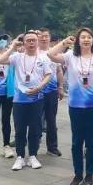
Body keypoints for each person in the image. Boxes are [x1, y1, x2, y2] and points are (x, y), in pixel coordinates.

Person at [49, 28, 93, 185]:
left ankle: (89, 175)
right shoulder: (70, 56)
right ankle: (78, 174)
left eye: (89, 37)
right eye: (83, 37)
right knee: (76, 142)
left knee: (92, 142)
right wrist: (64, 43)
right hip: (75, 106)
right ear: (78, 40)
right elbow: (51, 55)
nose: (86, 40)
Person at [0, 31, 52, 171]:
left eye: (34, 40)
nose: (31, 43)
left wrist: (39, 87)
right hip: (19, 100)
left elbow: (48, 75)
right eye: (28, 40)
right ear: (24, 42)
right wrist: (12, 47)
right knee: (20, 129)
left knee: (35, 128)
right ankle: (20, 157)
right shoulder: (17, 57)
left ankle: (33, 155)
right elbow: (1, 60)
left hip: (36, 98)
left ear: (37, 42)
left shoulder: (43, 58)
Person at [37, 29, 64, 157]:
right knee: (35, 119)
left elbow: (59, 71)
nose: (44, 38)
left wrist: (61, 87)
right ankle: (34, 144)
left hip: (51, 91)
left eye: (46, 36)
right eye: (41, 36)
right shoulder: (33, 52)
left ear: (49, 38)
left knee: (51, 120)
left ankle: (52, 147)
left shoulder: (54, 53)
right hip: (37, 91)